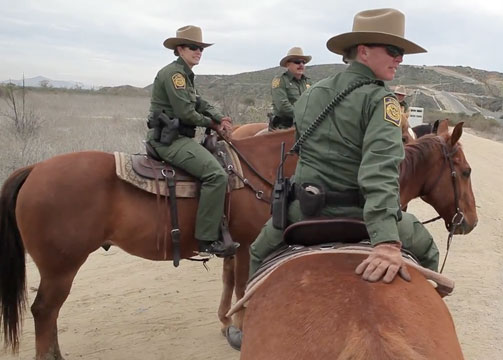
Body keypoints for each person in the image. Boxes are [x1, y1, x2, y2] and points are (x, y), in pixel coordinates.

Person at [250, 8, 439, 283]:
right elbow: (381, 170)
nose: (399, 58)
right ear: (363, 51)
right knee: (429, 253)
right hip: (359, 214)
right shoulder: (382, 101)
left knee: (256, 255)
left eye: (401, 52)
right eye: (393, 49)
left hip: (304, 212)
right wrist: (386, 241)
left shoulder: (310, 95)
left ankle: (243, 322)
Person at [146, 25, 238, 257]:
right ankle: (206, 239)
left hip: (178, 137)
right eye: (193, 47)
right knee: (216, 176)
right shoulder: (174, 75)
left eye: (201, 48)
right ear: (180, 49)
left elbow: (200, 102)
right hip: (170, 141)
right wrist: (214, 125)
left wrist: (220, 116)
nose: (199, 51)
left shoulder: (185, 75)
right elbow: (187, 113)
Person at [269, 47, 313, 130]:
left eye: (303, 62)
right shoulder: (280, 80)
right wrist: (302, 115)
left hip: (305, 124)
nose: (301, 65)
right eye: (297, 62)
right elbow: (282, 105)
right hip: (284, 125)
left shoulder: (308, 82)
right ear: (287, 64)